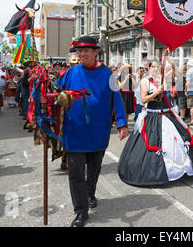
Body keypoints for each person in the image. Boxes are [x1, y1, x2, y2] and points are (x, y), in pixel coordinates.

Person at [38, 35, 128, 227]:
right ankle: (81, 211)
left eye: (86, 50)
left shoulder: (107, 74)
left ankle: (89, 193)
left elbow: (116, 100)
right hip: (74, 131)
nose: (82, 54)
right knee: (76, 174)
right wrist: (47, 100)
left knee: (94, 169)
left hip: (98, 131)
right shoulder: (71, 72)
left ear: (95, 52)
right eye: (79, 51)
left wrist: (121, 123)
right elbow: (58, 95)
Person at [118, 59, 193, 186]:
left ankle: (182, 168)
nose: (156, 69)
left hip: (167, 113)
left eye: (158, 67)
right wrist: (157, 92)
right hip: (153, 115)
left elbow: (177, 71)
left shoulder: (163, 78)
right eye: (154, 67)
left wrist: (168, 58)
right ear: (148, 68)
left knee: (178, 139)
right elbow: (143, 99)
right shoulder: (145, 81)